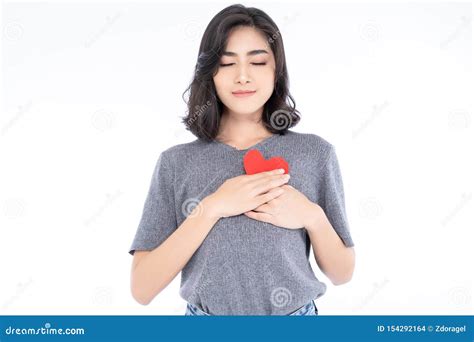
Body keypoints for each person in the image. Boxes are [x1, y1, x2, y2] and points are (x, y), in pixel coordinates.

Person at [129, 4, 355, 316]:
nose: (243, 76)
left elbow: (343, 273)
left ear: (276, 71)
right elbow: (142, 288)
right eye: (226, 63)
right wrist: (211, 208)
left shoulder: (316, 154)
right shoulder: (175, 163)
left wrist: (312, 217)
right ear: (210, 73)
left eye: (258, 61)